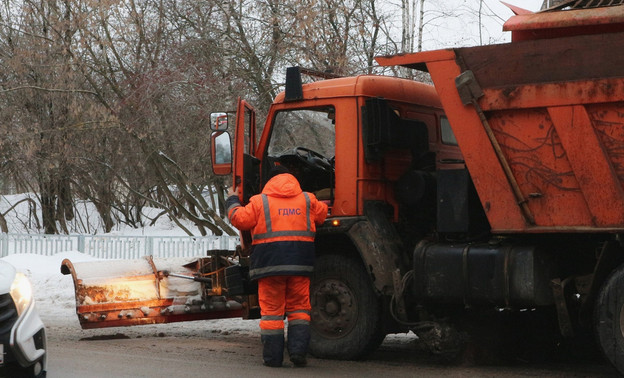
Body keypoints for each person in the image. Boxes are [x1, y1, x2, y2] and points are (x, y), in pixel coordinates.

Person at [226, 165, 328, 368]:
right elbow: (323, 214)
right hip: (300, 265)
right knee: (299, 310)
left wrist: (231, 199)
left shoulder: (259, 202)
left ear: (269, 182)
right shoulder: (307, 199)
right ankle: (298, 353)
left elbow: (239, 219)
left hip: (269, 266)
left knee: (272, 313)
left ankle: (273, 359)